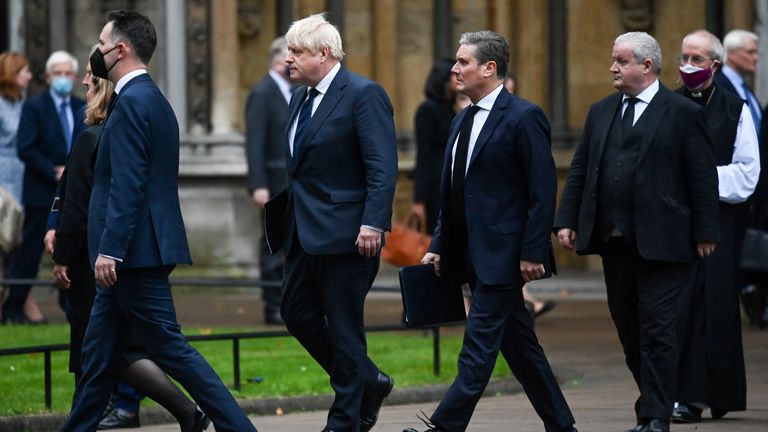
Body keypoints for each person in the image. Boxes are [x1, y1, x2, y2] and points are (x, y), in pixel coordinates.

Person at [61, 10, 255, 432]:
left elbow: (127, 186)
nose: (95, 51)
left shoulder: (132, 103)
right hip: (135, 254)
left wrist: (110, 249)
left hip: (132, 257)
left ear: (120, 49)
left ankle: (240, 428)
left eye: (100, 42)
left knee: (171, 349)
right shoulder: (153, 100)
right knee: (97, 359)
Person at [404, 31, 577, 432]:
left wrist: (533, 251)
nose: (454, 69)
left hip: (505, 256)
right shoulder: (461, 119)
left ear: (489, 67)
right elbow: (453, 192)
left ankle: (444, 427)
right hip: (470, 256)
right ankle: (563, 426)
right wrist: (439, 245)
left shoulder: (524, 116)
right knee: (523, 351)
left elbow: (541, 189)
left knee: (477, 349)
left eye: (463, 62)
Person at [555, 32, 720, 432]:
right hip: (615, 243)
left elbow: (701, 177)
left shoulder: (682, 113)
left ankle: (654, 418)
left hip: (665, 242)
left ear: (646, 66)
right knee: (630, 332)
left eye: (621, 61)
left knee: (658, 332)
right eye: (613, 60)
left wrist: (706, 231)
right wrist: (566, 219)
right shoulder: (600, 111)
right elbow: (581, 170)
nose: (612, 67)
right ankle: (653, 403)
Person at [48, 54, 209, 431]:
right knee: (105, 351)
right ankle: (181, 412)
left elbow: (97, 201)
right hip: (109, 254)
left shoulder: (100, 133)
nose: (84, 84)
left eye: (89, 77)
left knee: (117, 350)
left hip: (100, 257)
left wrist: (68, 255)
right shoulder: (108, 127)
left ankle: (189, 412)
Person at [274, 13, 397, 432]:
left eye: (296, 51)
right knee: (295, 313)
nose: (287, 59)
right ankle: (368, 379)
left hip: (349, 233)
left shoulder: (363, 94)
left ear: (323, 54)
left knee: (345, 329)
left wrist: (373, 223)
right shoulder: (300, 98)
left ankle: (344, 419)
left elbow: (382, 166)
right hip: (303, 232)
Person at [670, 30, 757, 424]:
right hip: (675, 223)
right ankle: (685, 394)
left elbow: (747, 172)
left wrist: (701, 179)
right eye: (684, 58)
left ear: (715, 66)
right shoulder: (668, 105)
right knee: (680, 312)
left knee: (715, 311)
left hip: (718, 223)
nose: (688, 66)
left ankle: (715, 392)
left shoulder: (734, 109)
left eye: (696, 59)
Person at [3, 50, 84, 324]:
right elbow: (26, 147)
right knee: (28, 254)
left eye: (67, 73)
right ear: (48, 77)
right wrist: (54, 172)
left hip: (73, 193)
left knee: (72, 248)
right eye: (57, 73)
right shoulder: (34, 107)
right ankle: (13, 307)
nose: (63, 78)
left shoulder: (81, 106)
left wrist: (72, 172)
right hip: (41, 190)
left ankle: (71, 301)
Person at [244, 36, 292, 325]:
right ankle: (272, 305)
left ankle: (287, 302)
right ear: (278, 61)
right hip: (272, 184)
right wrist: (258, 184)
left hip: (290, 183)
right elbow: (255, 143)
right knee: (272, 247)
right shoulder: (263, 92)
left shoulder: (291, 91)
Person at [412, 59, 458, 235]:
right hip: (434, 191)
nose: (459, 77)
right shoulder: (428, 109)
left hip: (448, 187)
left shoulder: (449, 110)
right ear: (443, 79)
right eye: (454, 74)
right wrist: (419, 201)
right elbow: (423, 156)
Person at [713, 30, 761, 127]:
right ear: (731, 54)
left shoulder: (746, 89)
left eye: (756, 52)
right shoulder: (715, 86)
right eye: (750, 52)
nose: (756, 58)